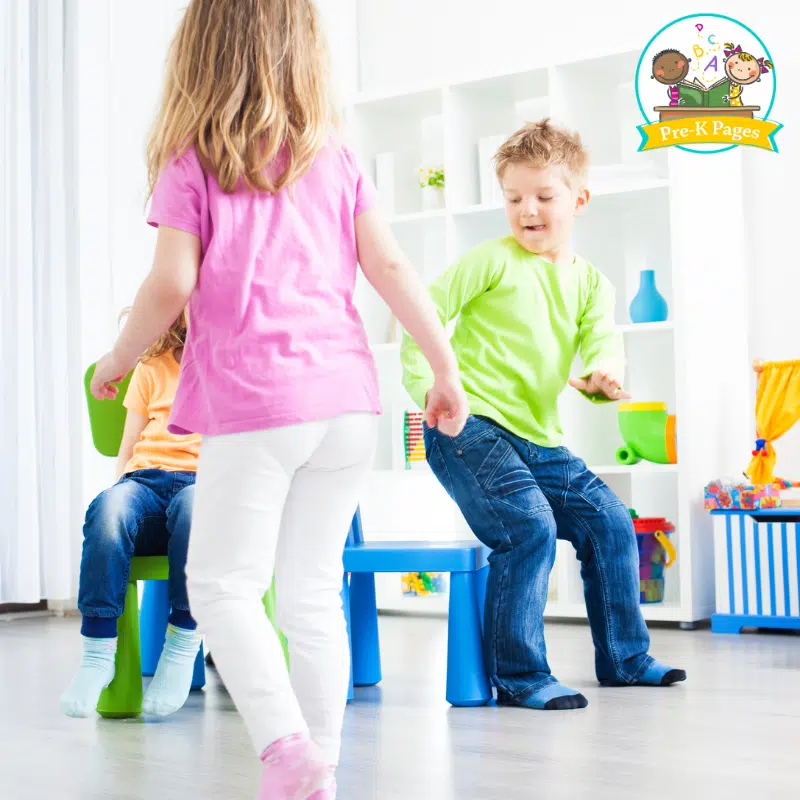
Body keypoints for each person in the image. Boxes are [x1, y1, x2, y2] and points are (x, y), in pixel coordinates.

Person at [88, 1, 467, 797]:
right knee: (308, 592)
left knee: (223, 586)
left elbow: (170, 283)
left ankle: (289, 751)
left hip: (258, 404)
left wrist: (119, 360)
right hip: (348, 408)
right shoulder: (334, 158)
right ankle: (318, 765)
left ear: (198, 53)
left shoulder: (193, 160)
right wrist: (443, 367)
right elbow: (391, 268)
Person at [402, 118, 686, 713]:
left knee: (609, 520)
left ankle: (628, 660)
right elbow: (421, 317)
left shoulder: (591, 284)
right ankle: (520, 675)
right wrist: (430, 388)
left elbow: (602, 343)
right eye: (513, 198)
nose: (527, 209)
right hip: (468, 427)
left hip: (538, 439)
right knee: (527, 528)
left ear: (579, 200)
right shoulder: (490, 261)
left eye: (543, 196)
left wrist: (605, 378)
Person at [62, 311, 203, 718]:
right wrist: (122, 486)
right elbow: (129, 447)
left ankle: (180, 647)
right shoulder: (150, 368)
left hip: (201, 485)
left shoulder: (231, 366)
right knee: (108, 507)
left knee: (196, 509)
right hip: (145, 481)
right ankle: (97, 655)